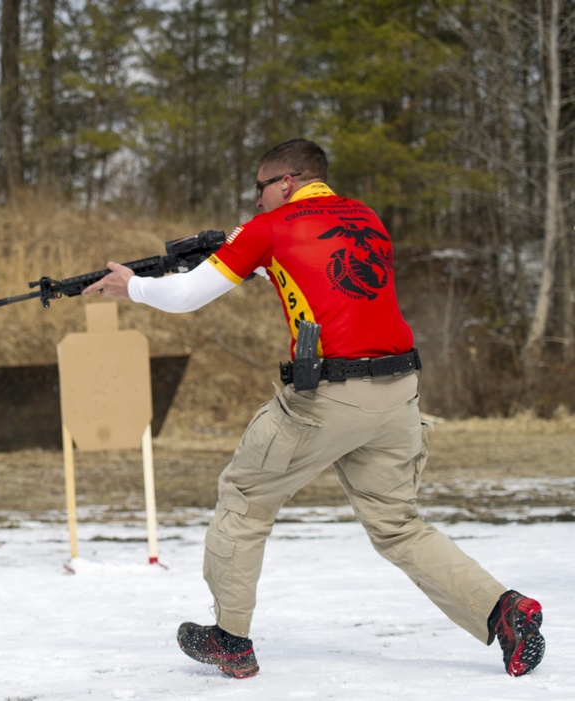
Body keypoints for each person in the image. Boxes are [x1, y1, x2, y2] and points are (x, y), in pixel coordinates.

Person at [81, 138, 545, 679]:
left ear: (286, 182)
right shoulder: (365, 217)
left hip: (328, 396)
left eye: (259, 187)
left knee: (246, 498)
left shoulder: (268, 228)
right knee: (399, 526)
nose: (255, 201)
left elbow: (186, 297)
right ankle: (503, 609)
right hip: (399, 392)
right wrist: (233, 254)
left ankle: (230, 639)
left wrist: (132, 287)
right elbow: (316, 273)